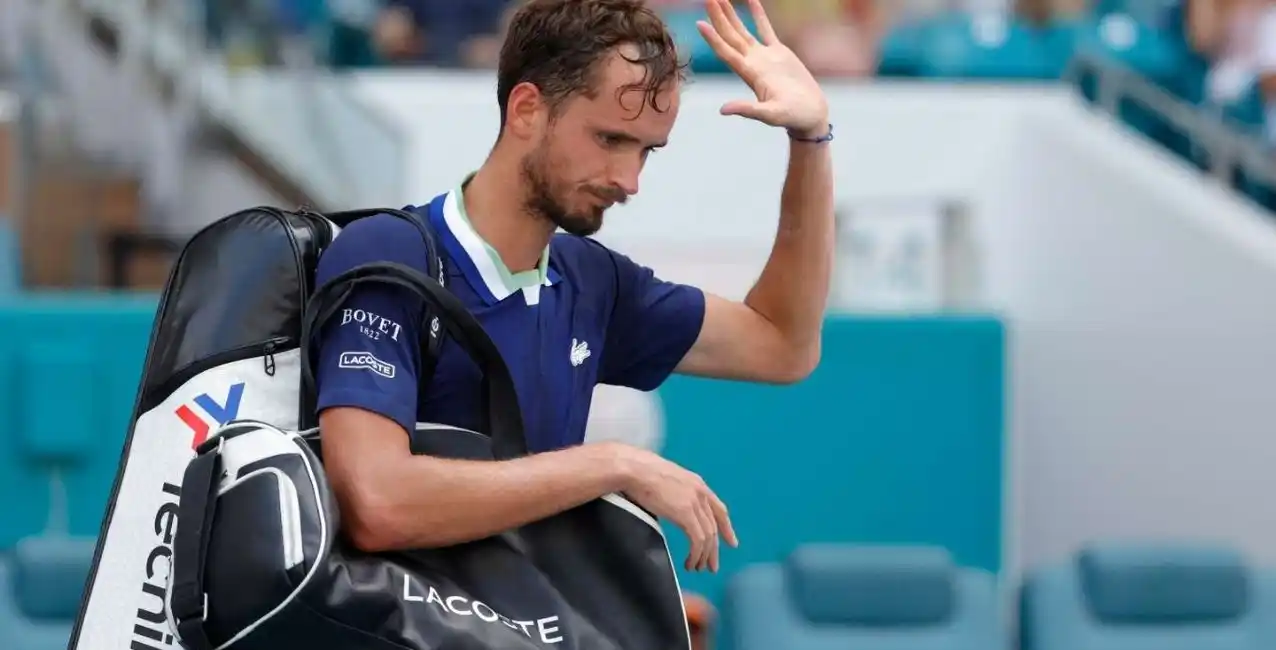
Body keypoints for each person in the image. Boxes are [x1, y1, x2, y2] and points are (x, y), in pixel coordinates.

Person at [314, 0, 833, 575]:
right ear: (527, 109)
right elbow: (377, 502)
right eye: (610, 140)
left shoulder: (592, 280)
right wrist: (613, 465)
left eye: (646, 151)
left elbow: (783, 346)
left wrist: (810, 140)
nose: (629, 180)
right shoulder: (389, 253)